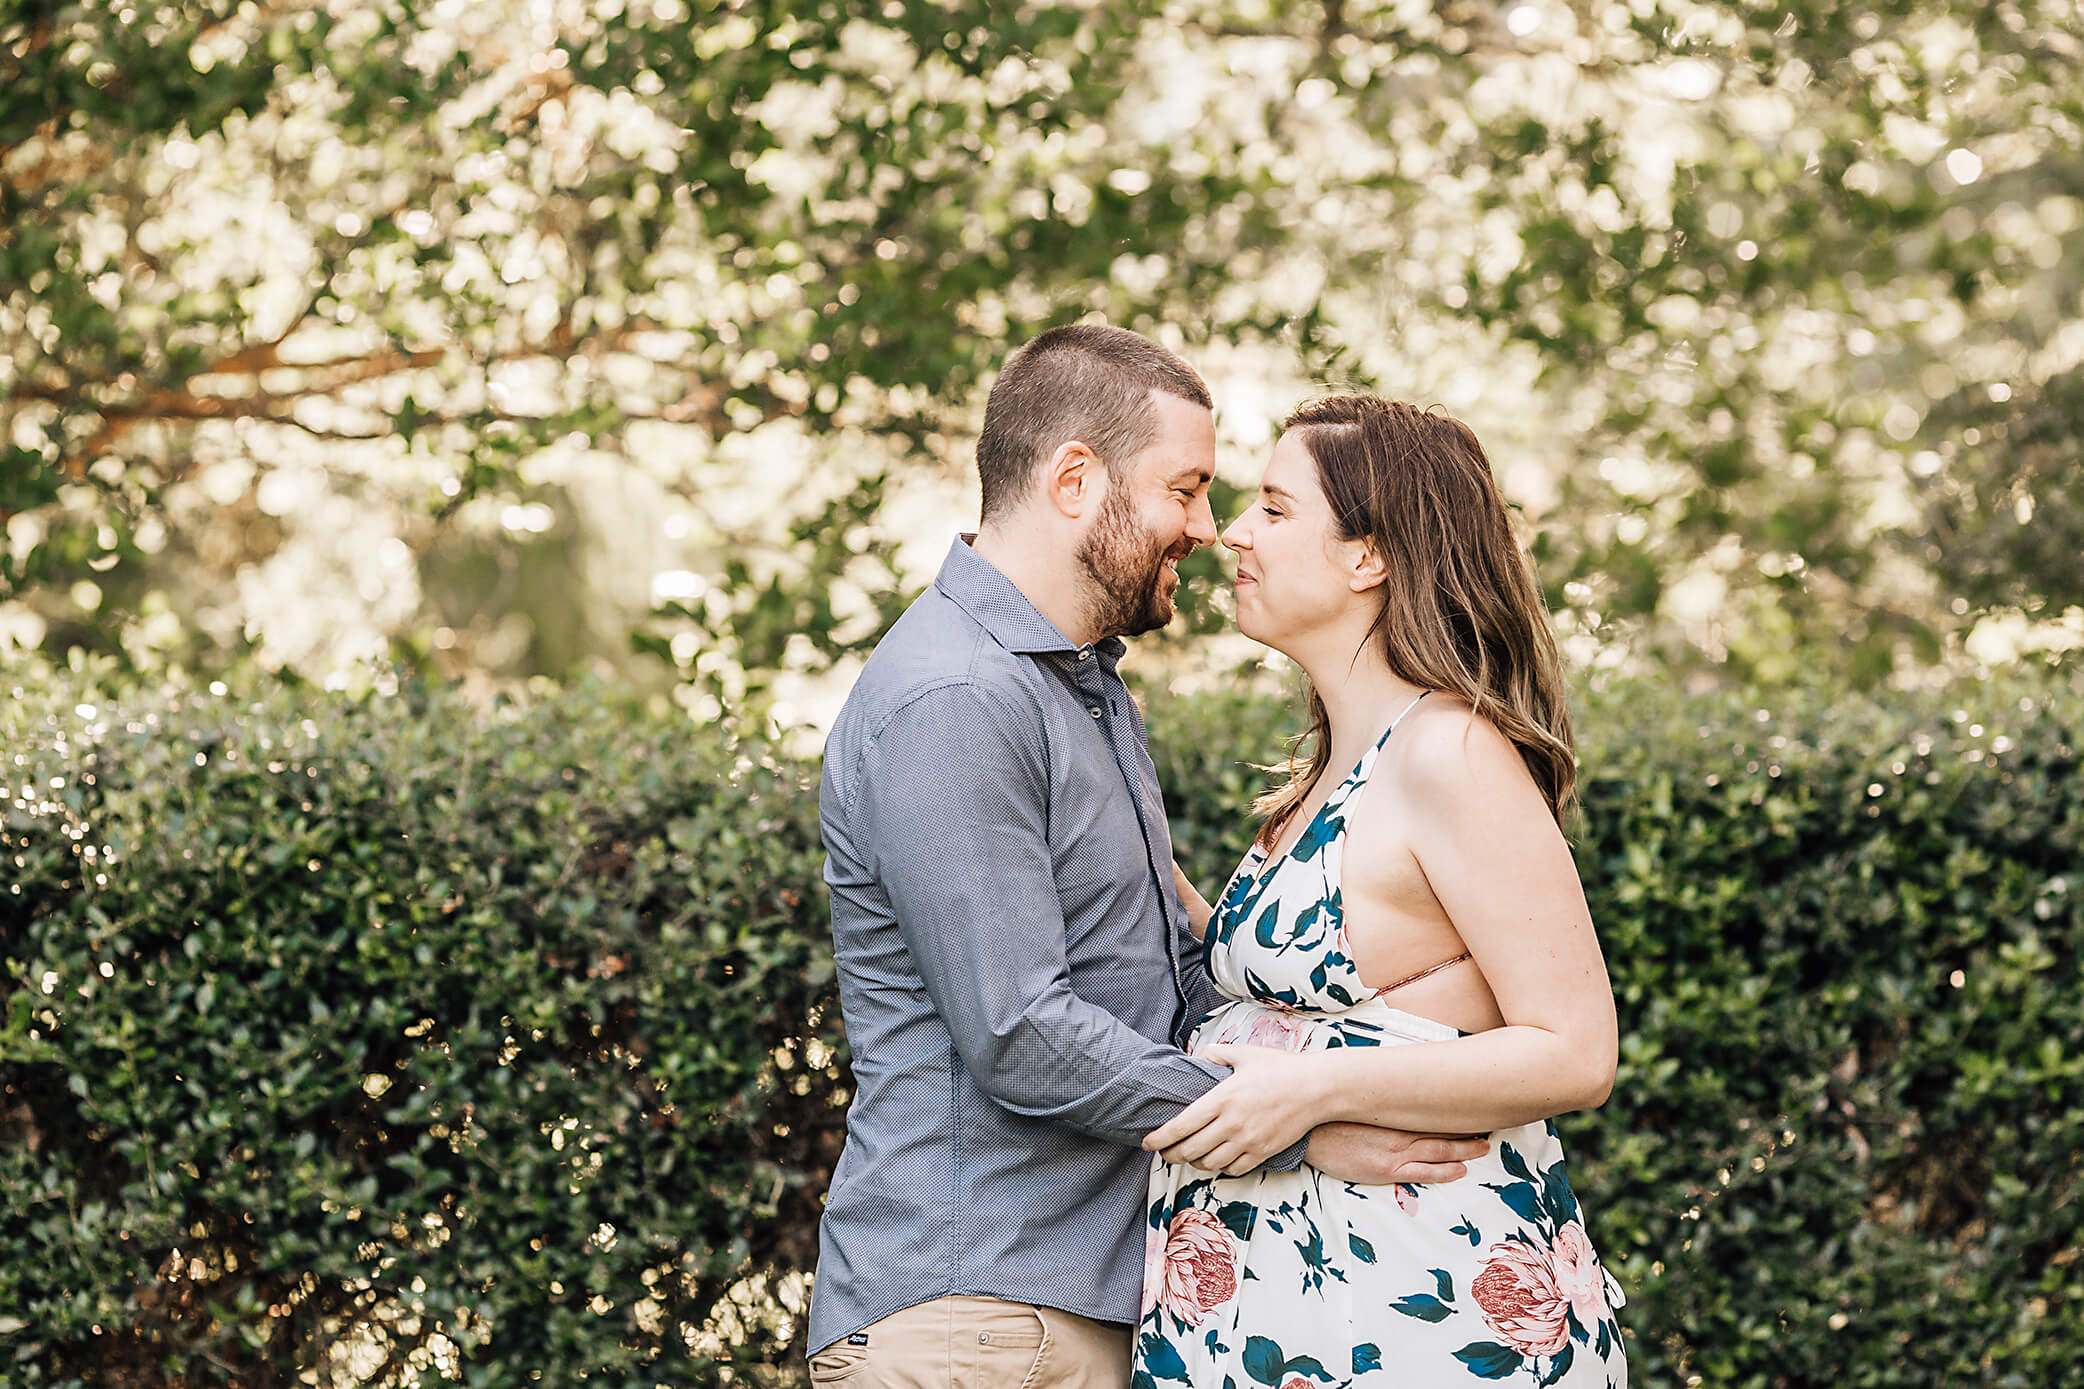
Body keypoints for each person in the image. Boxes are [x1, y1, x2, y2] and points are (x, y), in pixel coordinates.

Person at [807, 330, 1489, 1389]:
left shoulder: (1078, 691)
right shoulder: (958, 698)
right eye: (1186, 489)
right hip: (970, 1319)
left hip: (1076, 1303)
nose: (1206, 530)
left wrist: (1347, 1065)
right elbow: (1020, 1029)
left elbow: (1156, 981)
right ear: (1074, 479)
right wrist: (1297, 1134)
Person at [1131, 395, 1629, 1388]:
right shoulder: (1334, 768)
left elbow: (1575, 1051)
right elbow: (1271, 994)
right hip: (1290, 1308)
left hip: (1416, 1312)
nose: (1232, 530)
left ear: (1368, 556)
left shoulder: (1447, 752)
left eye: (1273, 510)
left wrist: (1315, 1092)